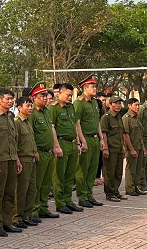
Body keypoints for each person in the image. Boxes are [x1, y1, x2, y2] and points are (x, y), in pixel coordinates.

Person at [49, 83, 87, 214]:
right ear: (59, 93)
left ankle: (68, 200)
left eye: (71, 95)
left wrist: (78, 143)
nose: (70, 98)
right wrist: (56, 146)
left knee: (70, 174)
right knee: (59, 174)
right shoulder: (53, 108)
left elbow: (75, 125)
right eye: (68, 95)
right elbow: (52, 127)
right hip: (61, 142)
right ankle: (60, 203)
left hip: (72, 143)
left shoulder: (71, 107)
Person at [0, 89, 22, 237]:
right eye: (7, 99)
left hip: (11, 159)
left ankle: (8, 222)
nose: (10, 101)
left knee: (10, 192)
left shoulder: (11, 116)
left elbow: (13, 140)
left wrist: (17, 159)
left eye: (12, 99)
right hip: (0, 160)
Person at [29, 83, 62, 220]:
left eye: (45, 95)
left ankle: (43, 207)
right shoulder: (33, 114)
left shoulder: (46, 111)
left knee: (46, 183)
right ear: (34, 98)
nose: (44, 98)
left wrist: (55, 146)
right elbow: (30, 134)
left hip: (48, 151)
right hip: (39, 152)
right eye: (41, 96)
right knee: (37, 183)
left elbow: (51, 130)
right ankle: (34, 210)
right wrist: (34, 150)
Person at [74, 77, 104, 207]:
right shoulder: (79, 103)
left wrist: (101, 138)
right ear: (85, 88)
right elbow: (77, 123)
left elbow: (97, 122)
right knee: (83, 170)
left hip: (95, 139)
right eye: (92, 87)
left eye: (95, 86)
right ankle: (82, 196)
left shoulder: (94, 103)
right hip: (85, 137)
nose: (95, 89)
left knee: (93, 168)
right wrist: (82, 140)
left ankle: (89, 194)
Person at [14, 96, 40, 227]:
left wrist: (35, 151)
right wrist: (17, 160)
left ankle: (27, 215)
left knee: (31, 189)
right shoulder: (17, 122)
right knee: (21, 190)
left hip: (31, 158)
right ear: (19, 107)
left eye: (31, 106)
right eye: (27, 106)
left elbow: (31, 139)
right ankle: (18, 217)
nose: (30, 108)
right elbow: (15, 143)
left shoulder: (28, 122)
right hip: (23, 159)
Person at [100, 96, 128, 201]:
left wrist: (124, 147)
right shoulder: (106, 117)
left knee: (118, 172)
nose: (118, 105)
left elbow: (122, 133)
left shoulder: (119, 117)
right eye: (116, 103)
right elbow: (104, 133)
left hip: (119, 148)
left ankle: (115, 191)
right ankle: (109, 193)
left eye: (119, 103)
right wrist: (105, 148)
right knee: (109, 173)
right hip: (110, 149)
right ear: (110, 105)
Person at [121, 98, 147, 198]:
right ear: (129, 105)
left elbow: (139, 134)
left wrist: (143, 147)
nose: (137, 107)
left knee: (138, 169)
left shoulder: (137, 117)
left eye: (138, 105)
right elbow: (126, 135)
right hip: (132, 148)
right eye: (135, 105)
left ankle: (135, 187)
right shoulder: (126, 118)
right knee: (131, 169)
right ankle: (130, 188)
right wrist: (131, 149)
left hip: (139, 147)